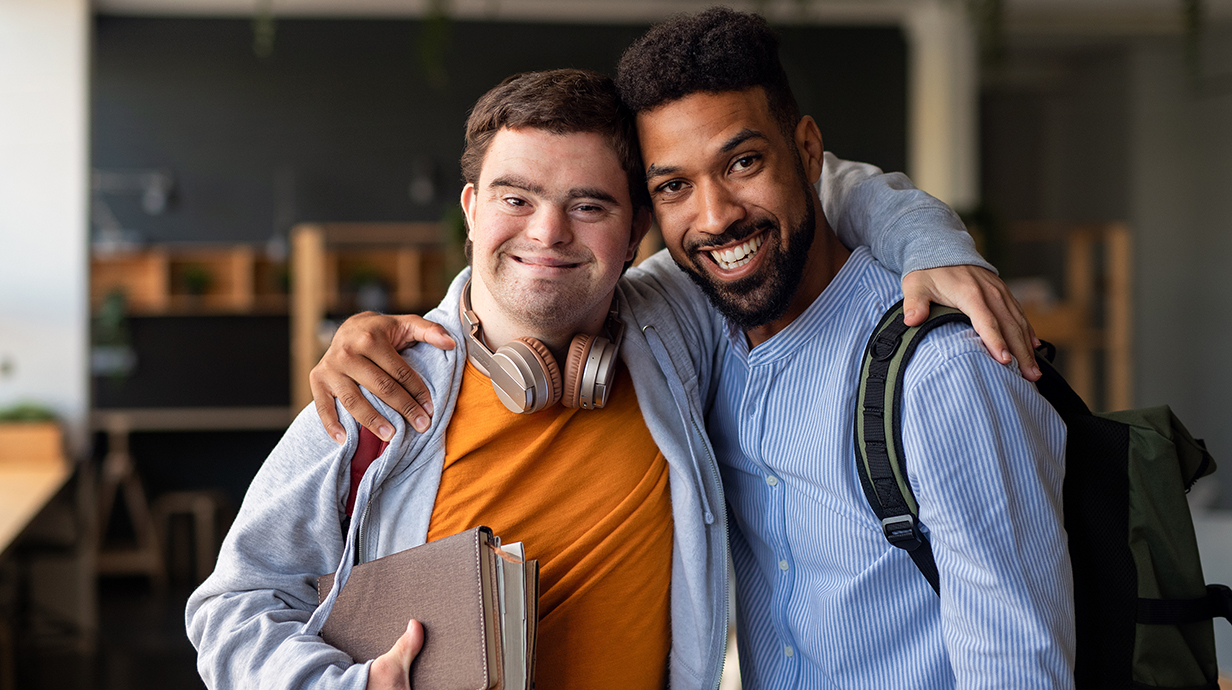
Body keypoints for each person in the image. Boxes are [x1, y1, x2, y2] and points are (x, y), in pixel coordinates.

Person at [316, 9, 1074, 689]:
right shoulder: (691, 321)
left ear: (808, 151)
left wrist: (936, 242)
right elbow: (540, 274)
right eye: (674, 186)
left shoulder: (942, 369)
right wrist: (398, 334)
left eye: (744, 163)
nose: (715, 217)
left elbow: (1017, 664)